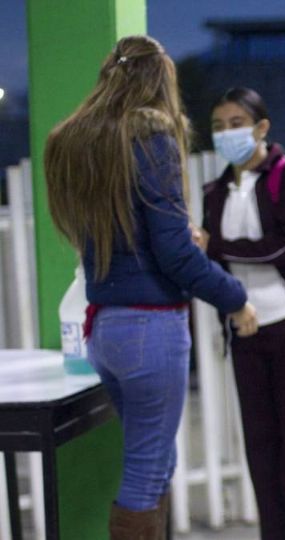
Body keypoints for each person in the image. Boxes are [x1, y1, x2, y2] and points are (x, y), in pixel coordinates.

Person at [43, 36, 257, 539]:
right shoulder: (151, 140)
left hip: (106, 333)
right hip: (150, 329)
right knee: (146, 469)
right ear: (159, 83)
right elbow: (175, 255)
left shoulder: (81, 146)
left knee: (157, 458)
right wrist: (235, 298)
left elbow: (120, 238)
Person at [199, 87, 285, 539]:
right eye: (218, 126)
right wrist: (229, 302)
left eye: (236, 123)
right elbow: (211, 267)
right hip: (245, 330)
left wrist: (215, 246)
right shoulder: (214, 192)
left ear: (261, 128)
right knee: (262, 453)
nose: (226, 133)